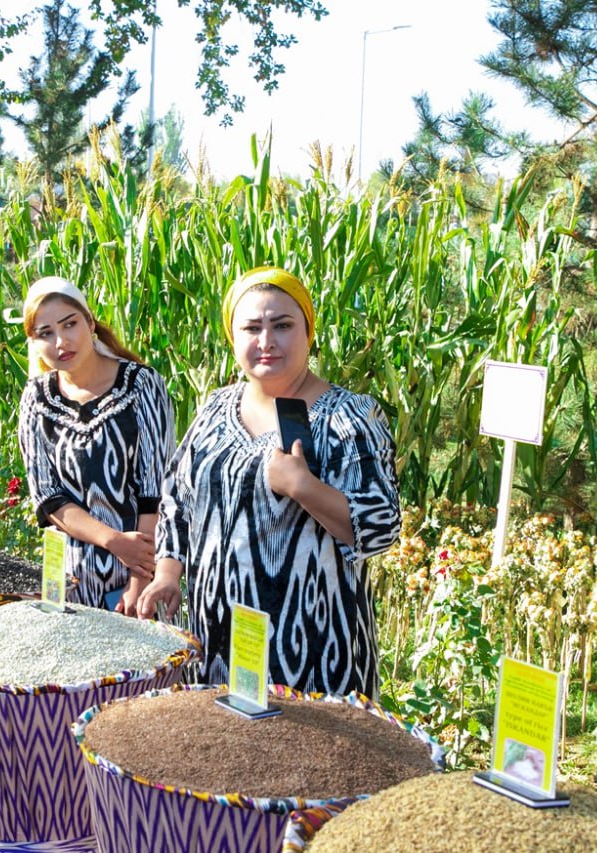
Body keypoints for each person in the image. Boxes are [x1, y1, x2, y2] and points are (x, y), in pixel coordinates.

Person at [137, 266, 401, 698]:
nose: (266, 341)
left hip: (315, 653)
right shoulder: (215, 409)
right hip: (218, 641)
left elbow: (381, 527)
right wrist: (167, 573)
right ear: (233, 337)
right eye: (251, 328)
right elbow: (176, 501)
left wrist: (303, 486)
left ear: (308, 332)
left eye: (282, 325)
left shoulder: (349, 417)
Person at [18, 277, 176, 616]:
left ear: (90, 322)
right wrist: (113, 541)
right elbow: (47, 497)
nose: (61, 342)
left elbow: (156, 490)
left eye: (69, 324)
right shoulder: (36, 398)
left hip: (136, 581)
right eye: (45, 333)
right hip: (67, 580)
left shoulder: (142, 384)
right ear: (34, 342)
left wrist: (139, 578)